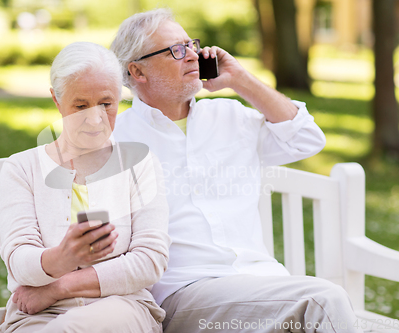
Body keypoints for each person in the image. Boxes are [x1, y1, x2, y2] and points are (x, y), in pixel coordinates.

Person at [111, 8, 363, 333]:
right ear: (137, 71)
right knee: (322, 302)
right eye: (176, 50)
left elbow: (306, 140)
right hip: (185, 294)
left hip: (265, 283)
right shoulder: (116, 139)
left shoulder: (231, 116)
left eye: (192, 45)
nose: (192, 56)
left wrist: (239, 80)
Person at [0, 41, 170, 333]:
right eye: (80, 106)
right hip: (37, 314)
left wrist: (57, 287)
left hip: (121, 309)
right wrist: (63, 256)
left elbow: (150, 260)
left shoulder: (140, 164)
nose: (95, 118)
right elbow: (18, 261)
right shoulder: (21, 168)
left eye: (106, 103)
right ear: (56, 100)